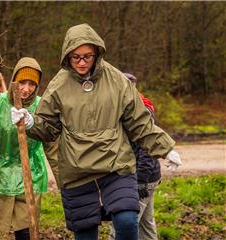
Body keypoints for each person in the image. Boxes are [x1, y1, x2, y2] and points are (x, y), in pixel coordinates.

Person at [11, 23, 182, 240]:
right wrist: (30, 123)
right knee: (85, 234)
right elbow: (49, 128)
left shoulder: (117, 80)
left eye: (87, 56)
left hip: (116, 164)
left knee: (127, 220)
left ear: (97, 53)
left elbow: (139, 121)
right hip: (76, 169)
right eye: (75, 57)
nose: (81, 63)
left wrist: (165, 149)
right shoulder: (58, 86)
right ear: (67, 56)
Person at [0, 57, 48, 240]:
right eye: (22, 82)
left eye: (32, 84)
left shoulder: (42, 106)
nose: (26, 89)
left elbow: (51, 135)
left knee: (25, 230)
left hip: (29, 173)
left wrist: (34, 124)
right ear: (14, 80)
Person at [109, 73, 162, 240]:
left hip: (140, 179)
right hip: (148, 177)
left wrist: (140, 182)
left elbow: (147, 150)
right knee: (147, 226)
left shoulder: (141, 111)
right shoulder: (128, 108)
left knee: (122, 228)